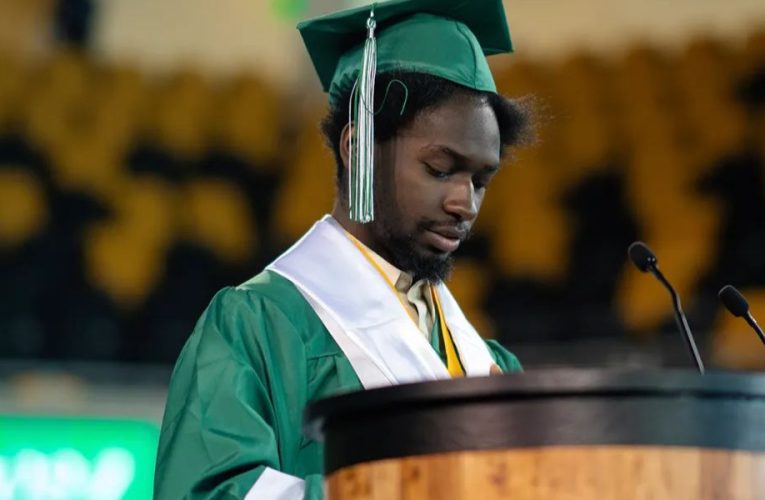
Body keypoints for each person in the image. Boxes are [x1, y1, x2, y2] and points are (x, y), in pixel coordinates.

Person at [153, 0, 532, 498]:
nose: (465, 203)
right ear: (358, 148)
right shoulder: (257, 326)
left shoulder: (490, 364)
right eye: (440, 168)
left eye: (481, 180)